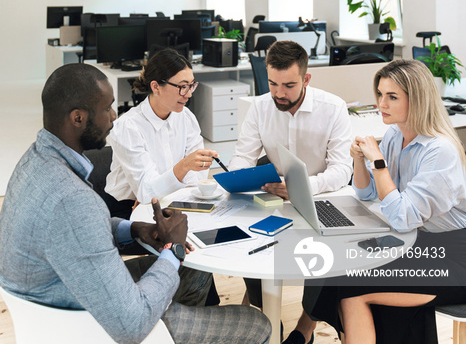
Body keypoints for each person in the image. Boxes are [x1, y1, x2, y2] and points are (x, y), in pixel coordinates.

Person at [0, 63, 271, 344]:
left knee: (195, 270)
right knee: (258, 324)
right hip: (91, 324)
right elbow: (132, 324)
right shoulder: (73, 198)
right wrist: (173, 249)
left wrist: (133, 229)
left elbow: (72, 230)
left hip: (63, 295)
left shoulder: (34, 161)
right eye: (107, 108)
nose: (113, 117)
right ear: (78, 118)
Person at [308, 58, 466, 344]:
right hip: (417, 241)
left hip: (454, 255)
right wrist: (358, 159)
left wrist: (378, 161)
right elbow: (367, 193)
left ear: (417, 99)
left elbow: (402, 216)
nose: (382, 103)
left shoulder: (439, 150)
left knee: (351, 290)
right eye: (380, 94)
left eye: (392, 97)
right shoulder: (395, 134)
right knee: (337, 270)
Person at [230, 40, 352, 344]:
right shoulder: (260, 107)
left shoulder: (333, 108)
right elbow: (243, 156)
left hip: (323, 196)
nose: (278, 93)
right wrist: (236, 177)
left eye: (288, 85)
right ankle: (264, 317)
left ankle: (305, 329)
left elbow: (341, 170)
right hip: (275, 197)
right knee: (247, 237)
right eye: (272, 82)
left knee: (331, 252)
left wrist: (301, 187)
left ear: (306, 79)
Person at [106, 48, 218, 204]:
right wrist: (184, 165)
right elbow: (146, 192)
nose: (189, 94)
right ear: (156, 86)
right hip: (128, 205)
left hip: (173, 199)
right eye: (182, 86)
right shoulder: (129, 126)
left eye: (191, 85)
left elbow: (196, 177)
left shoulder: (185, 117)